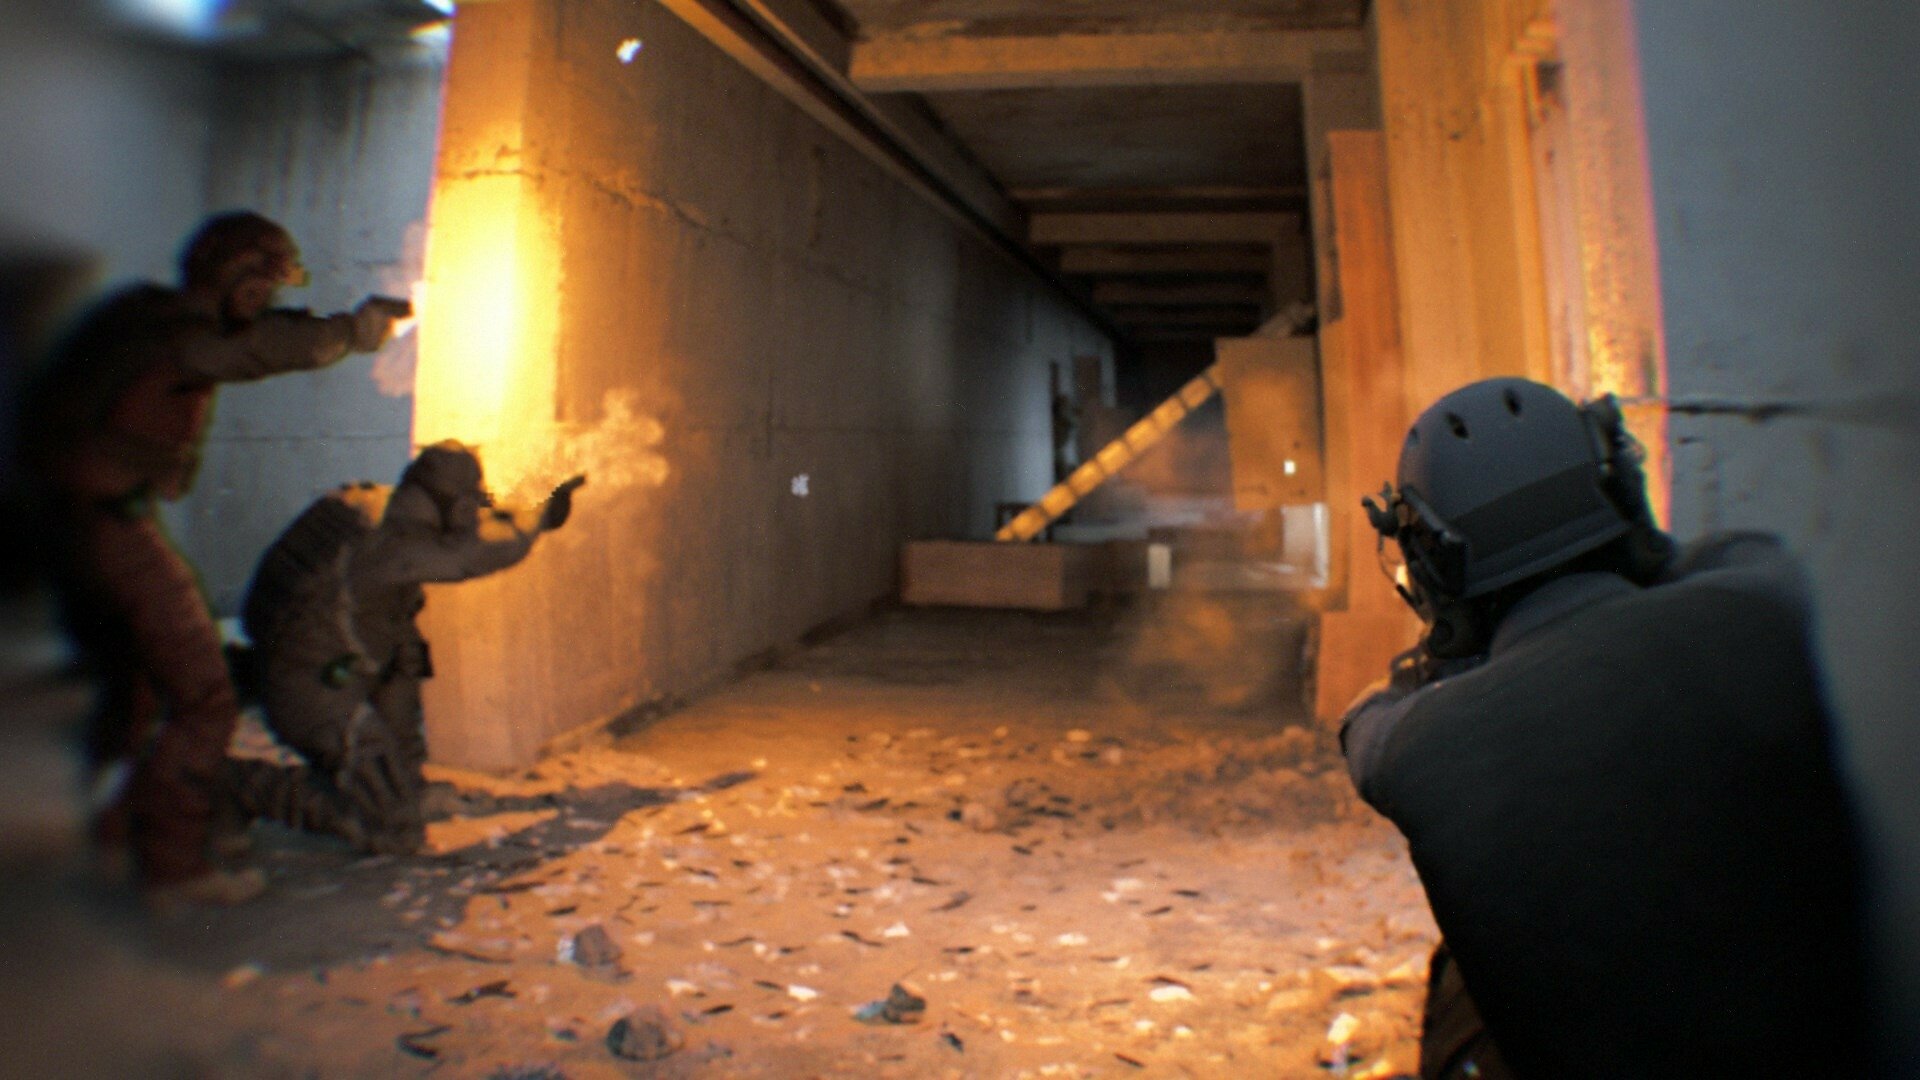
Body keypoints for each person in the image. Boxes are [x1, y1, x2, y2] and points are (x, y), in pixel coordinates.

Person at [1339, 377, 1872, 1078]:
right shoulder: (1762, 598)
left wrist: (1458, 649)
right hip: (1833, 1047)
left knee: (1467, 979)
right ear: (1617, 488)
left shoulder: (1418, 750)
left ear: (1435, 562)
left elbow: (1365, 719)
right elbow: (1697, 562)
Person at [17, 212, 410, 907]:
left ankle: (114, 841)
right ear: (230, 272)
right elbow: (250, 351)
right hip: (111, 525)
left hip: (70, 525)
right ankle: (174, 870)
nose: (265, 297)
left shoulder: (137, 317)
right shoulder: (176, 336)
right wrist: (352, 332)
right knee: (204, 697)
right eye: (260, 280)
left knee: (136, 693)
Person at [227, 441, 583, 855]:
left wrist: (533, 509)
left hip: (345, 672)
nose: (471, 515)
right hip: (313, 690)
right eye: (468, 502)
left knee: (406, 652)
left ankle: (403, 781)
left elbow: (474, 532)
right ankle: (241, 787)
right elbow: (474, 555)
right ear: (445, 500)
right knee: (393, 831)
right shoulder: (387, 541)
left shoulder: (385, 511)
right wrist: (539, 516)